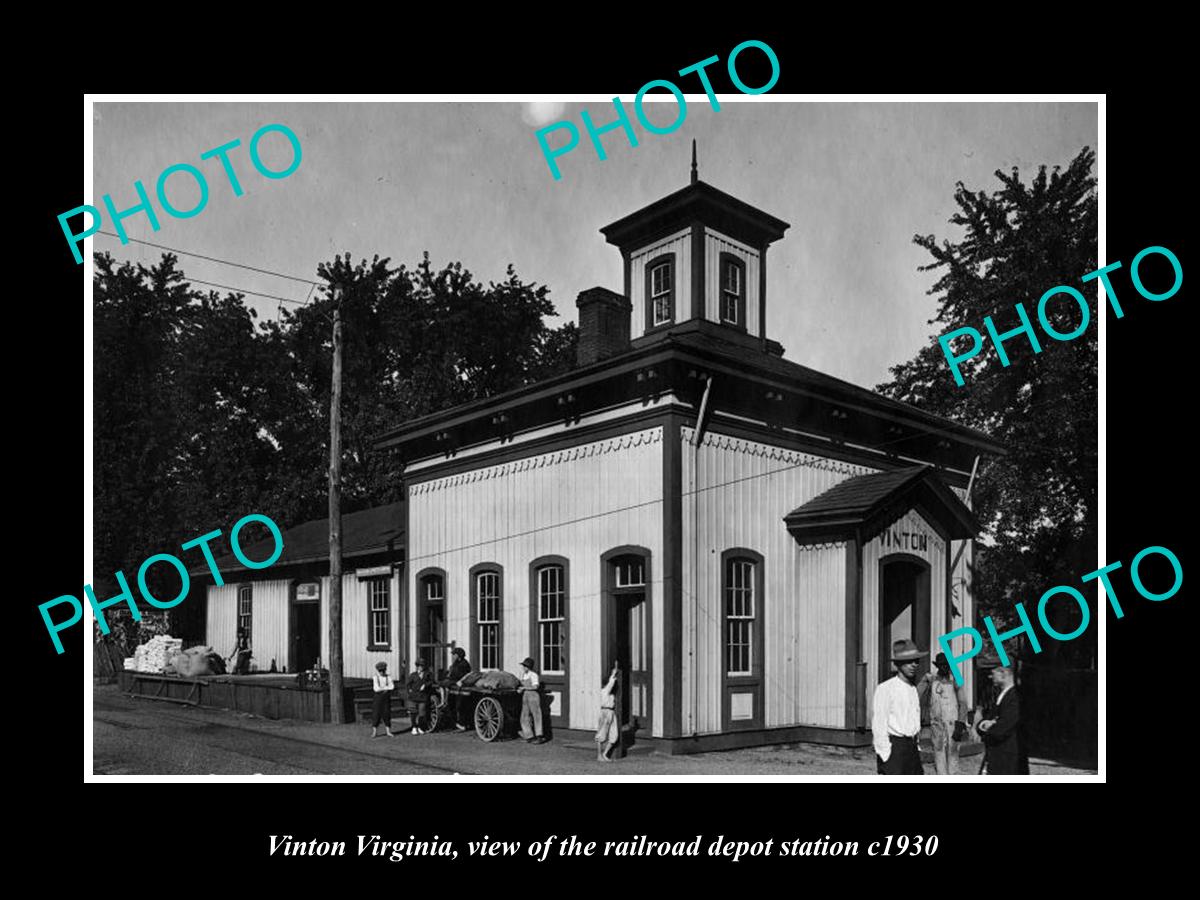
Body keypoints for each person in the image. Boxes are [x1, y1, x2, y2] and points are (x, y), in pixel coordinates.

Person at [872, 638, 927, 775]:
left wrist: (916, 746)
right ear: (898, 664)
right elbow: (879, 724)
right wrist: (886, 755)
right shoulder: (886, 688)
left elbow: (913, 720)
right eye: (909, 661)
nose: (914, 665)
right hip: (895, 750)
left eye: (916, 661)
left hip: (912, 749)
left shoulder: (913, 689)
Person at [918, 652, 969, 775]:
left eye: (947, 665)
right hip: (936, 723)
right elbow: (917, 695)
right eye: (942, 665)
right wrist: (924, 681)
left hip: (952, 723)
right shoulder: (932, 680)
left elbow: (963, 703)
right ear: (937, 666)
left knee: (952, 753)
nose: (944, 668)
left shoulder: (955, 680)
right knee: (938, 751)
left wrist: (960, 724)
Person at [976, 656, 1028, 775]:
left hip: (1008, 758)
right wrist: (985, 725)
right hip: (997, 756)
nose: (990, 676)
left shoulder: (1015, 697)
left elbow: (1002, 728)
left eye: (992, 673)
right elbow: (986, 720)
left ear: (1003, 673)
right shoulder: (1002, 695)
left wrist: (990, 726)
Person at [441, 647, 473, 732]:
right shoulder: (455, 664)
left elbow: (458, 675)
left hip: (460, 687)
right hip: (455, 686)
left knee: (459, 706)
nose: (452, 656)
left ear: (459, 656)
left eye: (454, 655)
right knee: (452, 705)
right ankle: (454, 722)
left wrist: (449, 679)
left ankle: (461, 723)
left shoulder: (464, 664)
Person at [518, 656, 547, 744]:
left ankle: (539, 736)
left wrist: (524, 688)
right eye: (523, 666)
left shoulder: (533, 675)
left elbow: (535, 687)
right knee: (524, 716)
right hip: (525, 696)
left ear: (529, 667)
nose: (524, 668)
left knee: (536, 715)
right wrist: (520, 689)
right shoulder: (523, 675)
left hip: (533, 696)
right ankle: (529, 736)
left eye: (525, 666)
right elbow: (521, 685)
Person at [596, 662, 621, 762]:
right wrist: (613, 673)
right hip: (605, 712)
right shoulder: (604, 691)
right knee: (601, 734)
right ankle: (599, 755)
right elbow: (611, 683)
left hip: (611, 713)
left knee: (614, 735)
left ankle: (605, 754)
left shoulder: (610, 693)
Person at [406, 658, 436, 735]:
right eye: (419, 665)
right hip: (413, 696)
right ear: (417, 666)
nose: (420, 667)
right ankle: (414, 727)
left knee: (422, 713)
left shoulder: (428, 674)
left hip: (423, 696)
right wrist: (409, 691)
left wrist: (425, 685)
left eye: (422, 666)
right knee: (413, 712)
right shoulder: (413, 675)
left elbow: (432, 681)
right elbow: (408, 685)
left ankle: (420, 727)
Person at [370, 661, 396, 738]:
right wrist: (386, 688)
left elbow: (392, 687)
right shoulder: (375, 677)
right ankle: (374, 732)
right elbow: (376, 689)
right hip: (378, 698)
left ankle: (388, 731)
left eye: (383, 670)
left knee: (387, 713)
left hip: (386, 698)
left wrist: (383, 688)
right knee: (376, 714)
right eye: (380, 671)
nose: (381, 672)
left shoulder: (389, 677)